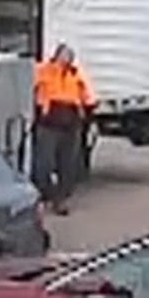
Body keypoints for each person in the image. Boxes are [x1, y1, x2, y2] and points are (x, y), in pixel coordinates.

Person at [33, 44, 96, 216]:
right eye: (63, 55)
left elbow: (89, 97)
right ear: (56, 55)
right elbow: (30, 87)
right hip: (48, 125)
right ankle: (44, 197)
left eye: (69, 56)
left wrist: (87, 118)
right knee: (43, 165)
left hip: (70, 127)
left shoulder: (76, 74)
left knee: (67, 166)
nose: (66, 59)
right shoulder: (44, 70)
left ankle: (60, 200)